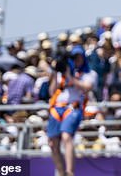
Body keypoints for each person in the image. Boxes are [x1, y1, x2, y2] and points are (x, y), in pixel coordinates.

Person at [47, 45, 96, 176]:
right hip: (57, 107)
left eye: (79, 56)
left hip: (73, 107)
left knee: (66, 136)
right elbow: (51, 92)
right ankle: (61, 172)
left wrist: (70, 77)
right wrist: (54, 73)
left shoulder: (88, 73)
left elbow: (87, 87)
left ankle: (70, 172)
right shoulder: (60, 74)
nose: (76, 60)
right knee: (52, 142)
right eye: (73, 57)